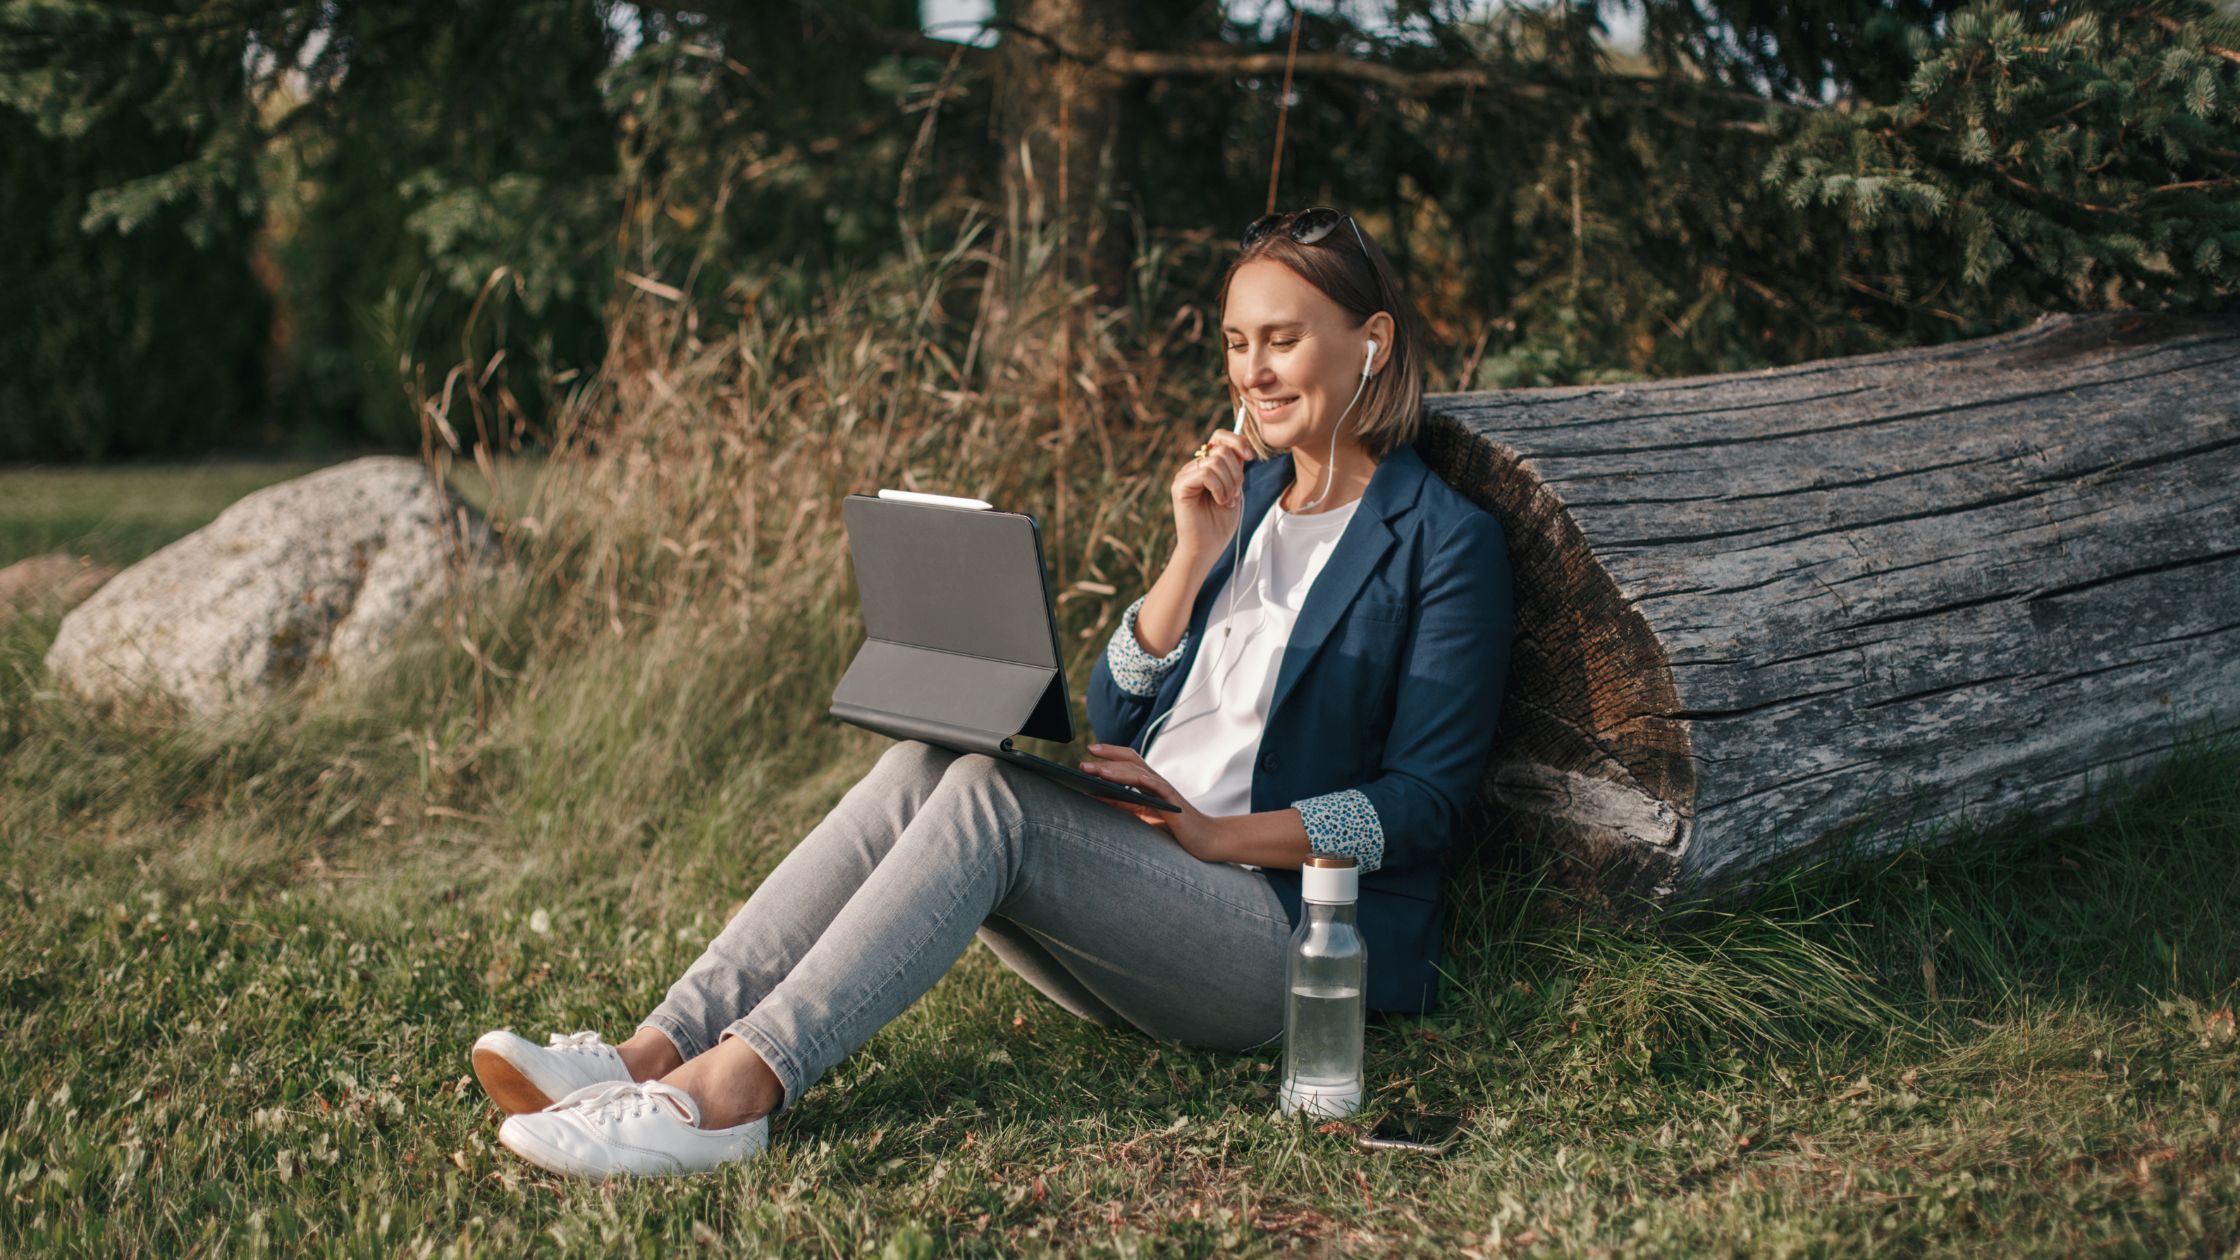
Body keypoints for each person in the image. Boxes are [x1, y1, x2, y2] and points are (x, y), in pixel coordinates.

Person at [472, 207, 1516, 1179]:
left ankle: (731, 1093)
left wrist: (1215, 837)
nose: (1251, 372)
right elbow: (1117, 715)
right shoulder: (1239, 503)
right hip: (1145, 876)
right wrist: (1186, 562)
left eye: (1280, 340)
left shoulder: (1440, 542)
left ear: (1370, 340)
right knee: (922, 761)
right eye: (1237, 343)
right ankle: (649, 1051)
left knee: (989, 799)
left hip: (1285, 936)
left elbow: (1421, 804)